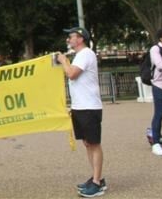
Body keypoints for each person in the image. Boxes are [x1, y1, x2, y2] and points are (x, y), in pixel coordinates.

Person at [56, 26, 106, 198]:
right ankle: (96, 177)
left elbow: (71, 74)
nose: (68, 40)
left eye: (71, 37)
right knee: (87, 143)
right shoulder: (80, 55)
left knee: (94, 143)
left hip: (89, 107)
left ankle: (97, 183)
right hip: (80, 106)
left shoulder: (85, 54)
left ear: (81, 38)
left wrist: (63, 60)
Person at [148, 27, 162, 156]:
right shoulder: (156, 49)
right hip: (159, 85)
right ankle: (156, 142)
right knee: (159, 114)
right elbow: (160, 65)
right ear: (161, 38)